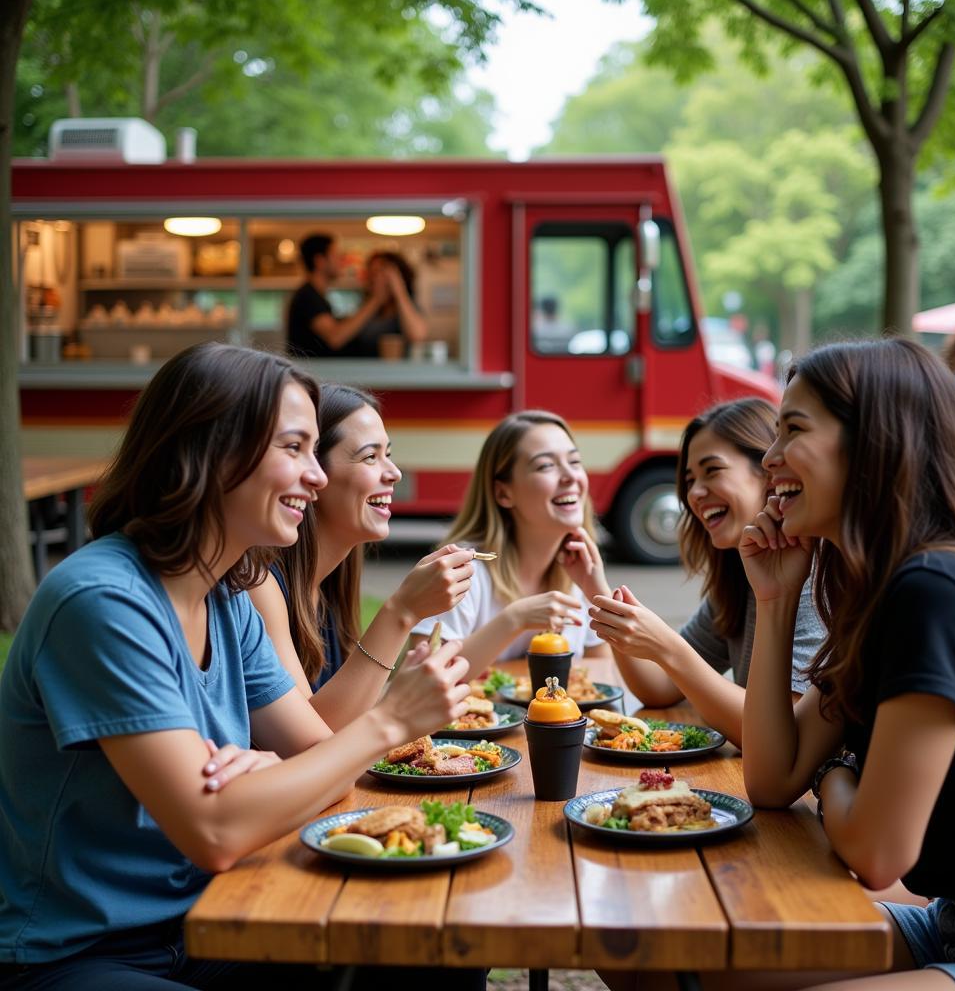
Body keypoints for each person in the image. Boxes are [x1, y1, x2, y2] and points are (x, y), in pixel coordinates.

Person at [0, 343, 470, 989]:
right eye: (295, 448)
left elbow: (325, 770)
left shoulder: (227, 595)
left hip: (208, 917)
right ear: (215, 452)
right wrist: (388, 723)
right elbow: (216, 830)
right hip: (77, 955)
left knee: (432, 955)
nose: (318, 476)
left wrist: (273, 767)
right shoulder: (102, 602)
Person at [739, 338, 955, 990]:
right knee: (673, 967)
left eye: (793, 429)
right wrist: (776, 599)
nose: (770, 456)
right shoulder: (889, 588)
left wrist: (837, 770)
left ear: (874, 441)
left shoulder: (939, 589)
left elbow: (876, 852)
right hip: (954, 923)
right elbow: (773, 778)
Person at [587, 398, 823, 747]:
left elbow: (780, 738)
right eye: (689, 479)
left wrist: (668, 648)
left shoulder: (809, 575)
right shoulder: (739, 575)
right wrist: (606, 601)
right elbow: (661, 689)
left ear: (769, 471)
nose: (694, 493)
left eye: (712, 470)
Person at [248, 383, 476, 729]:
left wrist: (404, 690)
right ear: (313, 474)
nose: (394, 473)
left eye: (388, 454)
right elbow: (314, 738)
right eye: (370, 457)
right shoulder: (260, 585)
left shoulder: (332, 578)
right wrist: (402, 611)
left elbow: (346, 716)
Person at [412, 410, 609, 672]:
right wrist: (514, 620)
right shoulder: (461, 570)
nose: (571, 477)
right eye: (546, 466)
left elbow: (601, 672)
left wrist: (599, 591)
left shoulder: (578, 571)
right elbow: (420, 674)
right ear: (504, 493)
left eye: (574, 462)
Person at [286, 235, 426, 358]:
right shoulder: (308, 296)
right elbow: (336, 337)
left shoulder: (402, 308)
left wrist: (398, 290)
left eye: (379, 273)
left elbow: (418, 335)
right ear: (320, 261)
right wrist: (376, 300)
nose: (342, 260)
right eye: (336, 256)